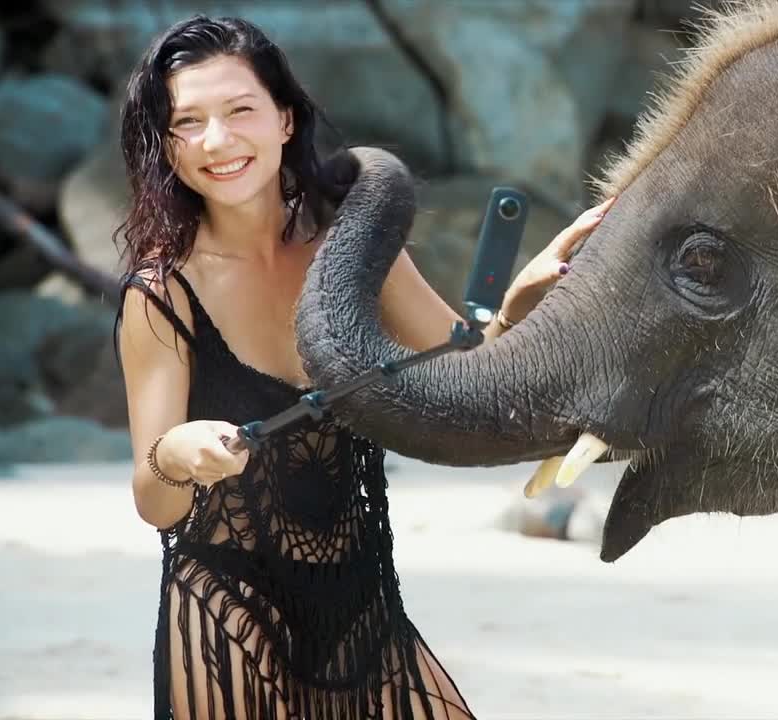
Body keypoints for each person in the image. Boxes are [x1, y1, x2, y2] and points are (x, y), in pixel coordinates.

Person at [113, 15, 613, 719]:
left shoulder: (350, 244)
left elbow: (468, 378)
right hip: (227, 612)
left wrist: (519, 303)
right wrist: (175, 454)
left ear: (285, 120)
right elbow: (152, 501)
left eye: (239, 110)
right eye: (186, 122)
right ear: (164, 145)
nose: (217, 142)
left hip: (363, 604)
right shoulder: (162, 295)